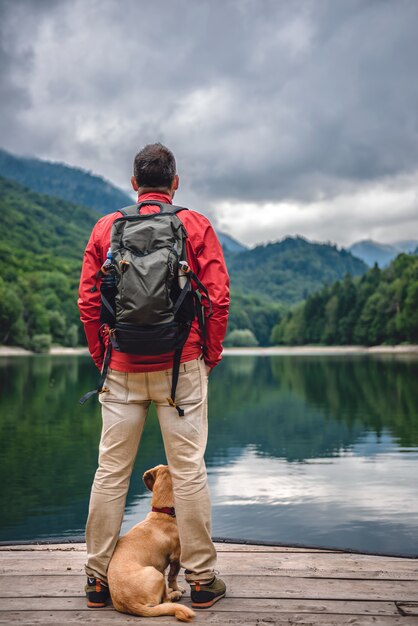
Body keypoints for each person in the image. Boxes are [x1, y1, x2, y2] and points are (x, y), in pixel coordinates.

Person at [78, 143, 230, 609]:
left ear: (134, 183)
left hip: (121, 368)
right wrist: (208, 355)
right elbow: (218, 298)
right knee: (188, 473)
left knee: (111, 473)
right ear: (175, 183)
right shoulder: (194, 225)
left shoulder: (108, 226)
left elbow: (88, 301)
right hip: (179, 367)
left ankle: (98, 581)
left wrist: (104, 353)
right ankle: (202, 581)